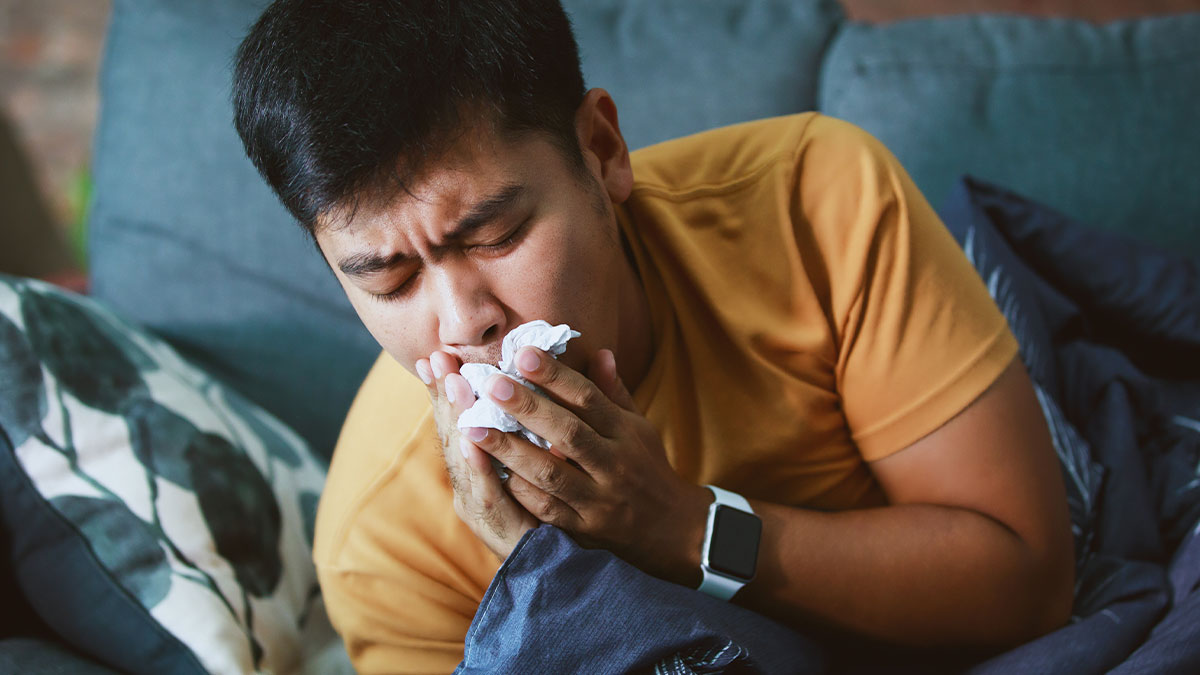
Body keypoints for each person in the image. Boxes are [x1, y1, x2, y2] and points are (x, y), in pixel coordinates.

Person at [232, 1, 1075, 672]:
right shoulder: (378, 543)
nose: (463, 322)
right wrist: (550, 586)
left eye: (497, 235)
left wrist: (683, 527)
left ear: (601, 150)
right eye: (389, 281)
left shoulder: (816, 207)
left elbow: (1030, 586)